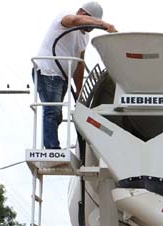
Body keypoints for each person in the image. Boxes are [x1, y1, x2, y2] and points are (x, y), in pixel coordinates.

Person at [35, 2, 116, 149]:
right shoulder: (64, 18)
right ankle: (52, 148)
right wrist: (103, 24)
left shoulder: (84, 37)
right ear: (84, 15)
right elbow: (74, 21)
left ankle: (52, 146)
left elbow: (79, 64)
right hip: (48, 72)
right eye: (91, 24)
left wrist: (79, 92)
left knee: (57, 114)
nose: (91, 29)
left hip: (62, 77)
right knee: (52, 111)